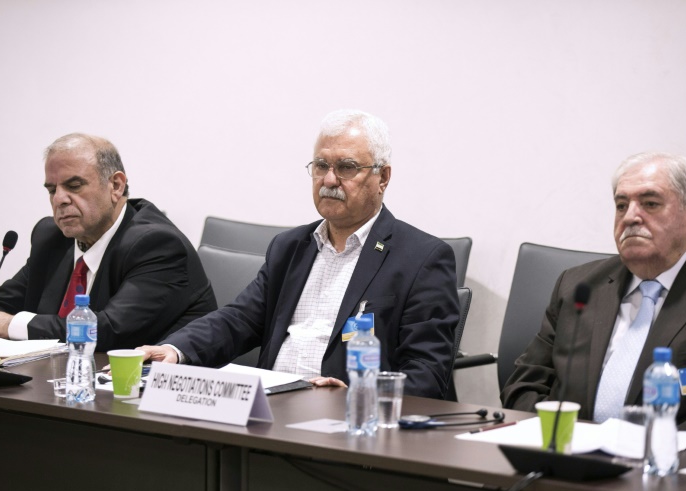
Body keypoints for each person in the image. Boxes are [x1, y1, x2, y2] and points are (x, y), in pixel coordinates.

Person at [138, 109, 459, 399]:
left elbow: (426, 371)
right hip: (269, 412)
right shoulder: (290, 247)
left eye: (346, 167)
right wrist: (175, 349)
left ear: (383, 178)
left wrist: (360, 394)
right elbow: (239, 319)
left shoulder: (421, 259)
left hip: (350, 426)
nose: (329, 180)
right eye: (321, 166)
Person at [501, 152, 686, 437]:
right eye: (621, 205)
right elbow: (524, 384)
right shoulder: (577, 286)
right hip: (569, 457)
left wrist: (654, 447)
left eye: (650, 203)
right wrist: (563, 439)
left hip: (674, 467)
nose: (631, 216)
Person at [0, 133, 217, 351]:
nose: (59, 199)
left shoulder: (157, 245)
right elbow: (0, 304)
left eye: (74, 185)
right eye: (52, 189)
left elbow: (109, 330)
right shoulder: (52, 238)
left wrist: (9, 324)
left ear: (116, 186)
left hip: (146, 396)